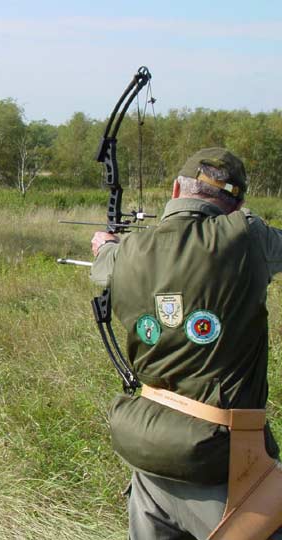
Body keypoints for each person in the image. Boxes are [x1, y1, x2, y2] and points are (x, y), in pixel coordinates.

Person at [89, 147, 282, 539]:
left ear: (177, 189)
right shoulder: (246, 234)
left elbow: (104, 260)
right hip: (221, 459)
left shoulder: (125, 253)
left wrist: (106, 243)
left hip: (146, 447)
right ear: (237, 202)